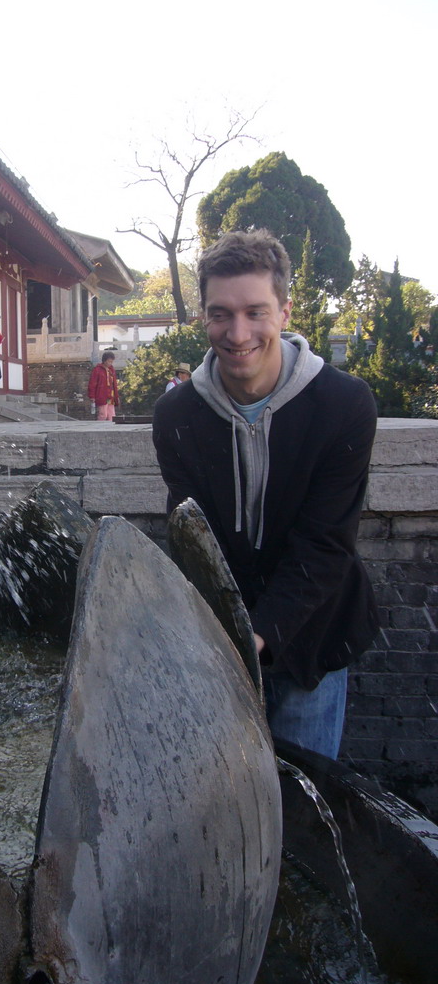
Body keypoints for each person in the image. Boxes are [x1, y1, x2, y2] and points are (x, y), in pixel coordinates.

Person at [153, 229, 379, 760]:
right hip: (222, 645)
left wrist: (256, 637)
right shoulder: (177, 416)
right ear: (203, 316)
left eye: (256, 312)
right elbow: (191, 537)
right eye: (220, 314)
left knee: (300, 811)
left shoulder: (344, 405)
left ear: (284, 311)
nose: (237, 333)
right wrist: (219, 641)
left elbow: (325, 543)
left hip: (313, 640)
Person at [88, 351, 121, 420]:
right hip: (102, 395)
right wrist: (92, 396)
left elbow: (114, 384)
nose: (110, 363)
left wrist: (116, 396)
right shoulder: (97, 370)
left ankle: (111, 429)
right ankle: (100, 429)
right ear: (104, 361)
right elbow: (92, 384)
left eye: (111, 361)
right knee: (103, 414)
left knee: (111, 415)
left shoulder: (111, 370)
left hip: (110, 396)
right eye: (109, 361)